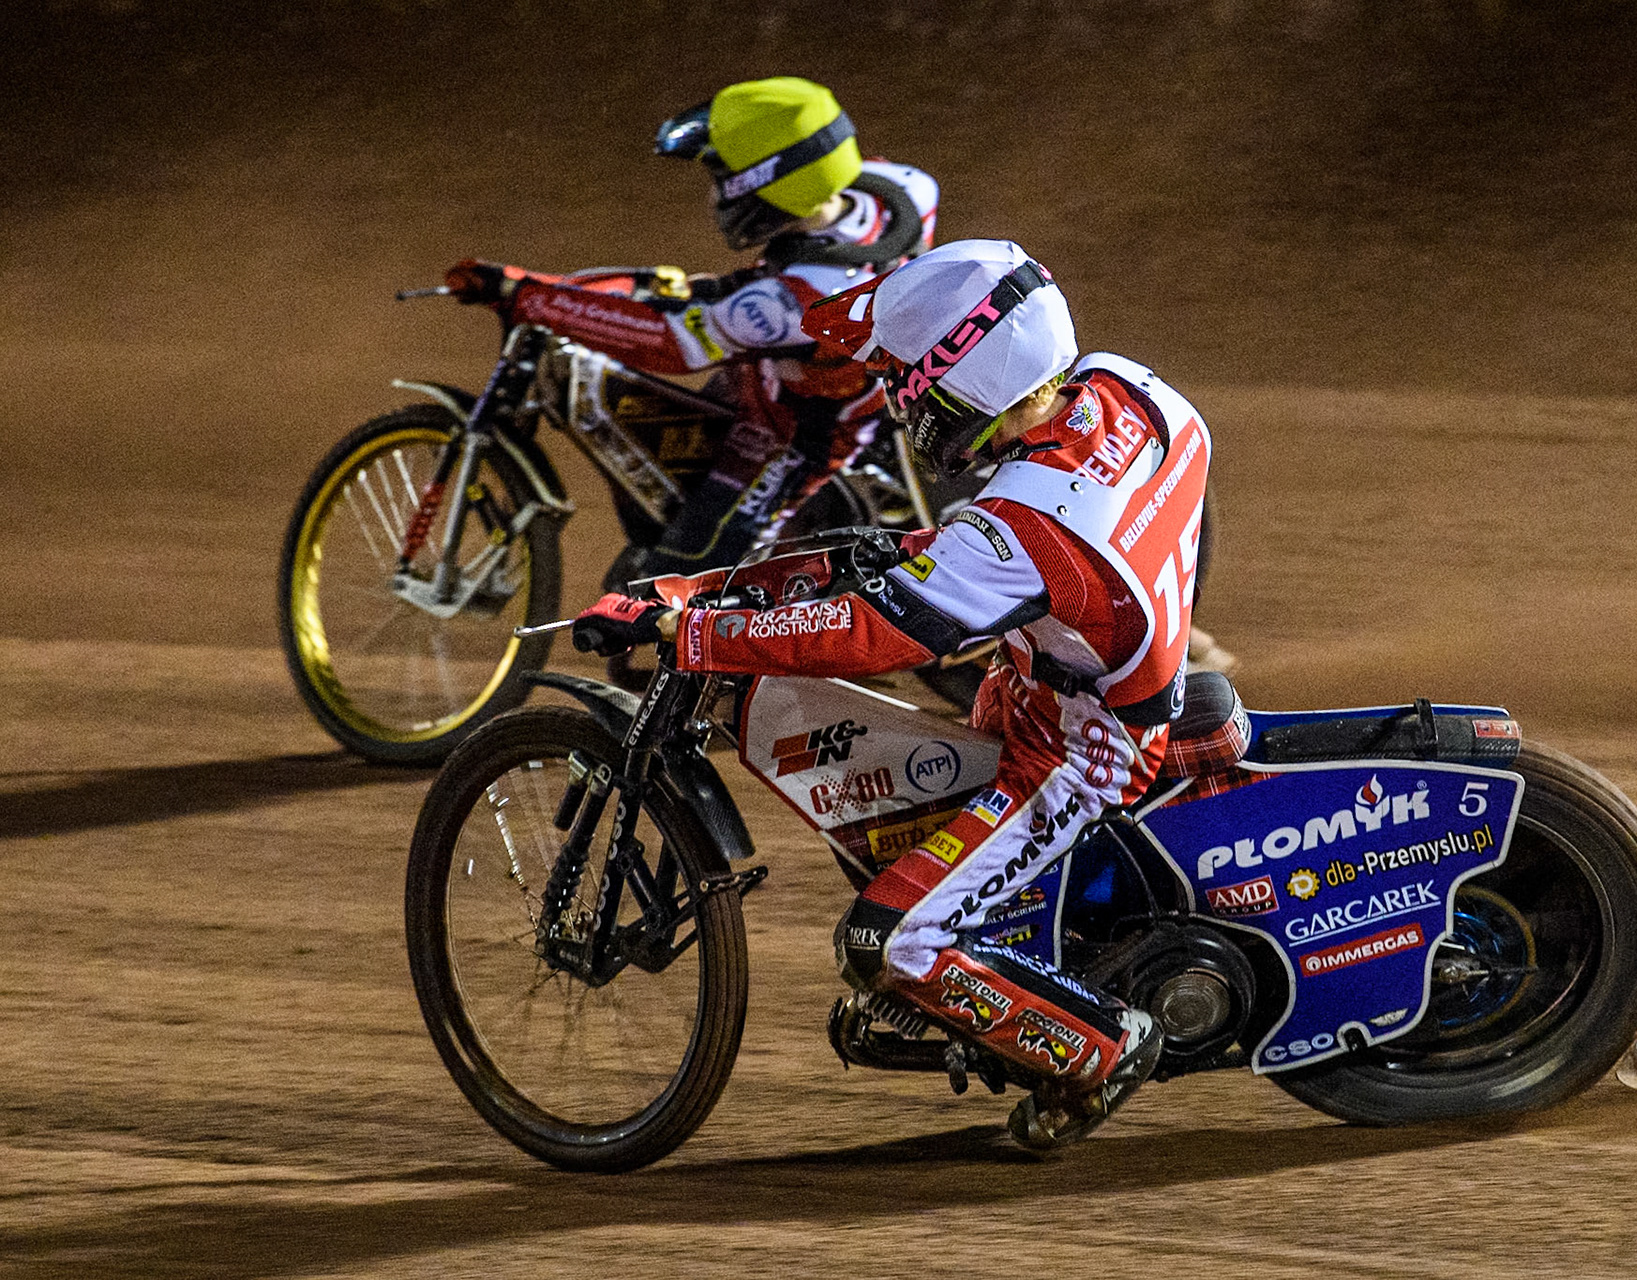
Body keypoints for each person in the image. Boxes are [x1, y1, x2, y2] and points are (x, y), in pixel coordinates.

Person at [573, 239, 1206, 1150]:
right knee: (892, 793)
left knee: (886, 943)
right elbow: (1002, 558)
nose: (902, 400)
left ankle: (1095, 1050)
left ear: (968, 378)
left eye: (910, 379)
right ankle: (991, 960)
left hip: (1078, 750)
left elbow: (873, 637)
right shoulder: (1128, 391)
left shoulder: (1024, 527)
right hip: (1062, 680)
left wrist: (699, 631)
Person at [444, 75, 939, 591]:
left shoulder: (791, 301)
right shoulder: (906, 189)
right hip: (796, 374)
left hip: (794, 433)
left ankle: (757, 645)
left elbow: (672, 342)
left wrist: (529, 296)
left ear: (771, 181)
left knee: (677, 585)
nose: (715, 190)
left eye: (723, 174)